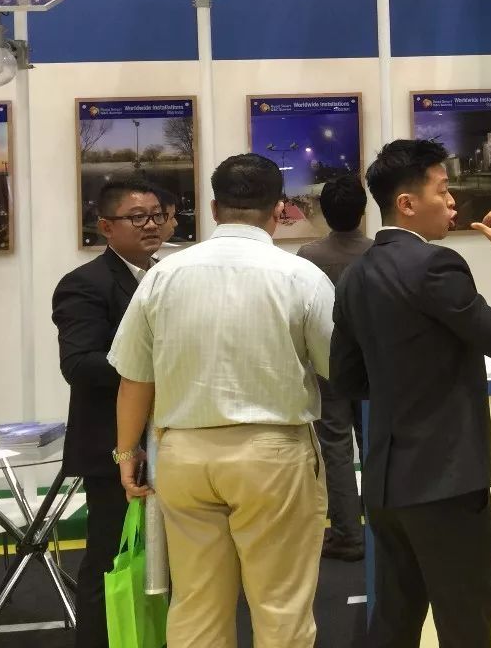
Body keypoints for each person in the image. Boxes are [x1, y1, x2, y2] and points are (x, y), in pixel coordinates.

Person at [108, 154, 335, 648]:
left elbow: (134, 379)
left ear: (213, 208)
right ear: (279, 209)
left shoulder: (163, 276)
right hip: (273, 453)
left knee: (196, 606)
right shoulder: (301, 276)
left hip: (183, 454)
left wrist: (127, 455)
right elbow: (333, 364)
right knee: (281, 606)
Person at [331, 139, 491, 648]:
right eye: (442, 190)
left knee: (394, 621)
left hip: (385, 484)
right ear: (406, 203)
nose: (452, 201)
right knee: (465, 624)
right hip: (447, 482)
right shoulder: (436, 265)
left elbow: (347, 379)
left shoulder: (354, 276)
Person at [52, 179, 165, 648]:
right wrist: (155, 363)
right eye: (137, 217)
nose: (151, 224)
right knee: (110, 561)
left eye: (158, 214)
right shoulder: (85, 283)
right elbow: (79, 364)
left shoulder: (166, 275)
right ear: (106, 226)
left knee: (163, 564)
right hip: (112, 448)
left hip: (167, 440)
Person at [297, 173, 371, 561]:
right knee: (376, 444)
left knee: (336, 449)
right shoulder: (377, 253)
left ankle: (348, 534)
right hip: (375, 365)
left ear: (324, 212)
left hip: (328, 365)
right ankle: (381, 531)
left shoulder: (308, 256)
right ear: (363, 210)